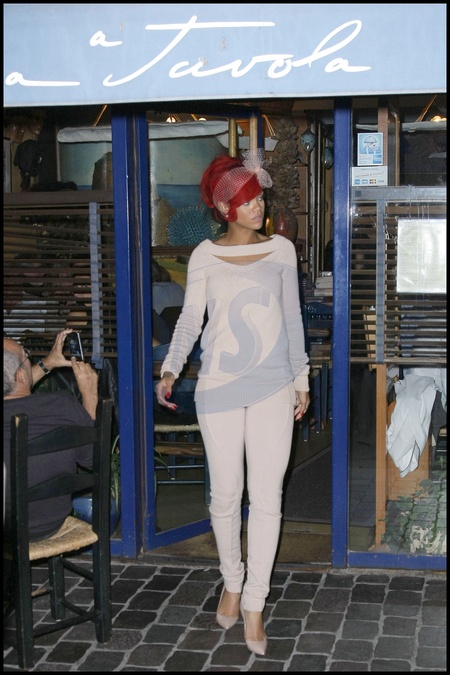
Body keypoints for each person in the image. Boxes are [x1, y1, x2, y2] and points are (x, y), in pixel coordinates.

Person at [155, 150, 310, 656]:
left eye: (260, 197)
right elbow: (189, 320)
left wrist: (302, 378)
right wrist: (171, 367)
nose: (258, 206)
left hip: (273, 387)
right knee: (225, 496)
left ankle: (255, 604)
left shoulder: (282, 251)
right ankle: (232, 581)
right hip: (218, 388)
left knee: (267, 499)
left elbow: (293, 319)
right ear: (225, 208)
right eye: (248, 200)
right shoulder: (203, 255)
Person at [3, 329, 98, 542]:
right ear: (21, 375)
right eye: (27, 357)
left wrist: (48, 363)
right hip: (46, 525)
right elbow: (94, 459)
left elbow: (14, 385)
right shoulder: (61, 406)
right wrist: (90, 397)